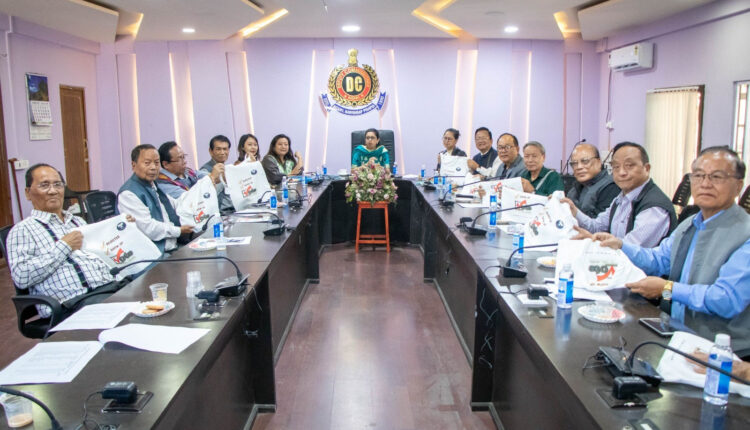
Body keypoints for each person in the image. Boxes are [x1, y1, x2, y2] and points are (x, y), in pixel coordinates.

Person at [593, 147, 750, 356]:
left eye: (717, 177)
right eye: (698, 176)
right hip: (678, 335)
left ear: (738, 185)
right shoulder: (690, 224)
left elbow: (726, 299)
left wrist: (667, 289)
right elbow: (659, 260)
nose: (705, 184)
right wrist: (620, 245)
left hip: (723, 353)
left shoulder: (745, 234)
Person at [7, 164, 127, 317]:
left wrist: (123, 229)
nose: (53, 191)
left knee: (147, 291)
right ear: (28, 193)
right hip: (74, 302)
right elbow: (21, 277)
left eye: (58, 184)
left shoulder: (77, 222)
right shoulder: (22, 230)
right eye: (44, 185)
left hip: (109, 287)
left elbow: (102, 254)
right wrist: (64, 246)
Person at [565, 142, 676, 247]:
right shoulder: (622, 197)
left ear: (646, 168)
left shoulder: (654, 206)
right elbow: (597, 227)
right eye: (616, 167)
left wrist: (594, 241)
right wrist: (574, 211)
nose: (621, 172)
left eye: (629, 166)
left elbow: (631, 248)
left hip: (631, 261)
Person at [118, 144, 194, 253]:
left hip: (174, 246)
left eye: (157, 163)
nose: (153, 167)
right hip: (155, 254)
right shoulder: (128, 193)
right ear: (133, 165)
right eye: (147, 163)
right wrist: (179, 231)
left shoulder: (152, 185)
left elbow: (176, 204)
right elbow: (148, 228)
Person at [566, 143, 620, 218]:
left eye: (585, 161)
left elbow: (600, 221)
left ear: (599, 162)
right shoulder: (574, 189)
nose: (579, 167)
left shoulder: (611, 186)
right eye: (574, 163)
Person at [156, 141, 222, 198]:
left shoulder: (188, 172)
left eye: (184, 157)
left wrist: (219, 175)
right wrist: (212, 177)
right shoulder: (163, 184)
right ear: (166, 164)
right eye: (180, 158)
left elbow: (209, 176)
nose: (184, 161)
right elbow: (190, 199)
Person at [200, 135, 233, 213]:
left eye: (225, 149)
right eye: (218, 149)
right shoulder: (204, 171)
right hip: (220, 213)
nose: (222, 153)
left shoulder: (229, 168)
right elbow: (206, 195)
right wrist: (221, 180)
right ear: (211, 151)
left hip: (235, 210)